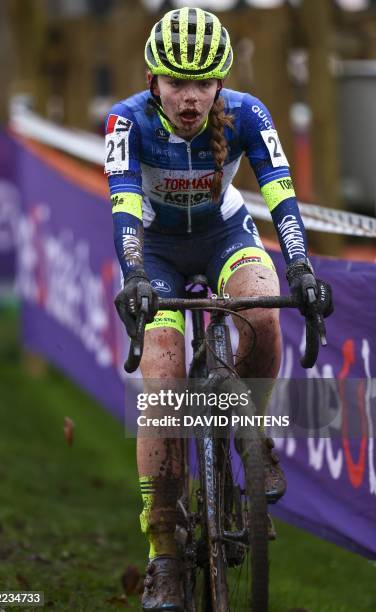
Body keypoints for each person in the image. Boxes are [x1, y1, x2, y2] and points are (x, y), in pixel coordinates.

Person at [105, 7, 333, 610]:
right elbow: (125, 204)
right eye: (177, 82)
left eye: (203, 82)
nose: (189, 97)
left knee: (261, 309)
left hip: (225, 235)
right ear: (153, 80)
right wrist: (133, 275)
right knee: (162, 376)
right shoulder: (125, 122)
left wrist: (302, 268)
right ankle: (164, 553)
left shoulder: (248, 115)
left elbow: (281, 195)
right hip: (154, 251)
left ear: (220, 83)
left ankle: (252, 434)